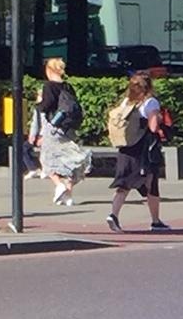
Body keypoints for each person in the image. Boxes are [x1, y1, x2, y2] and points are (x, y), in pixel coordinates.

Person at [105, 73, 169, 232]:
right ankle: (155, 221)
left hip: (126, 147)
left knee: (124, 183)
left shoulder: (127, 101)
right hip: (143, 149)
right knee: (151, 183)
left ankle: (114, 214)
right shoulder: (150, 102)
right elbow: (153, 127)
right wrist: (159, 119)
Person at [31, 57, 92, 206]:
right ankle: (68, 196)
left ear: (49, 70)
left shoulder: (49, 86)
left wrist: (38, 104)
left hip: (54, 125)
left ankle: (59, 185)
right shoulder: (67, 86)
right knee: (69, 160)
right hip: (68, 127)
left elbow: (46, 106)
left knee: (47, 159)